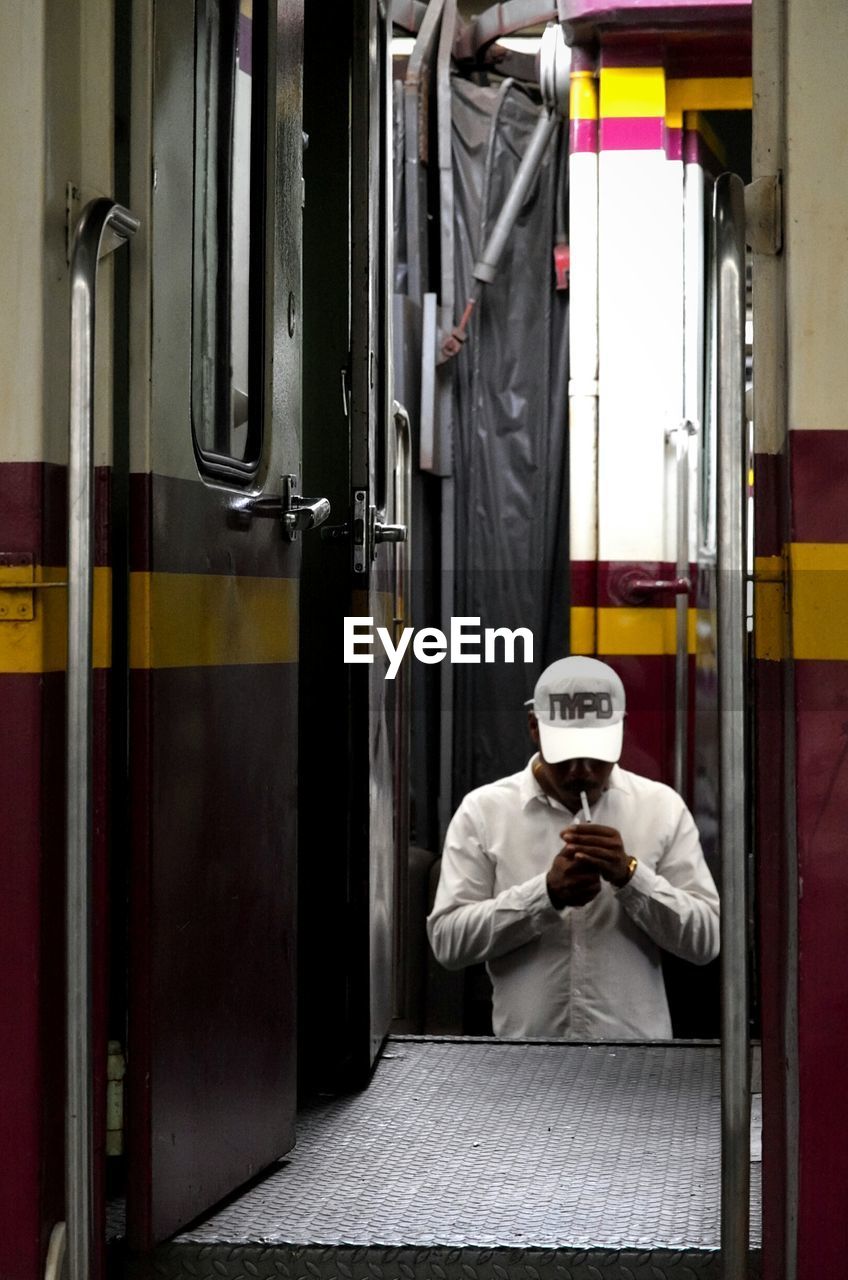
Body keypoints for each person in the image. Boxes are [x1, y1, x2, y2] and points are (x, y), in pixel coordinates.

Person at [426, 656, 720, 1039]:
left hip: (636, 1062)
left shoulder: (660, 808)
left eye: (596, 753)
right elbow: (449, 942)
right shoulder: (485, 812)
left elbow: (706, 941)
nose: (581, 770)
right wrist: (545, 895)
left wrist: (631, 877)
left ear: (620, 730)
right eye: (565, 752)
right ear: (534, 727)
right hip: (526, 1062)